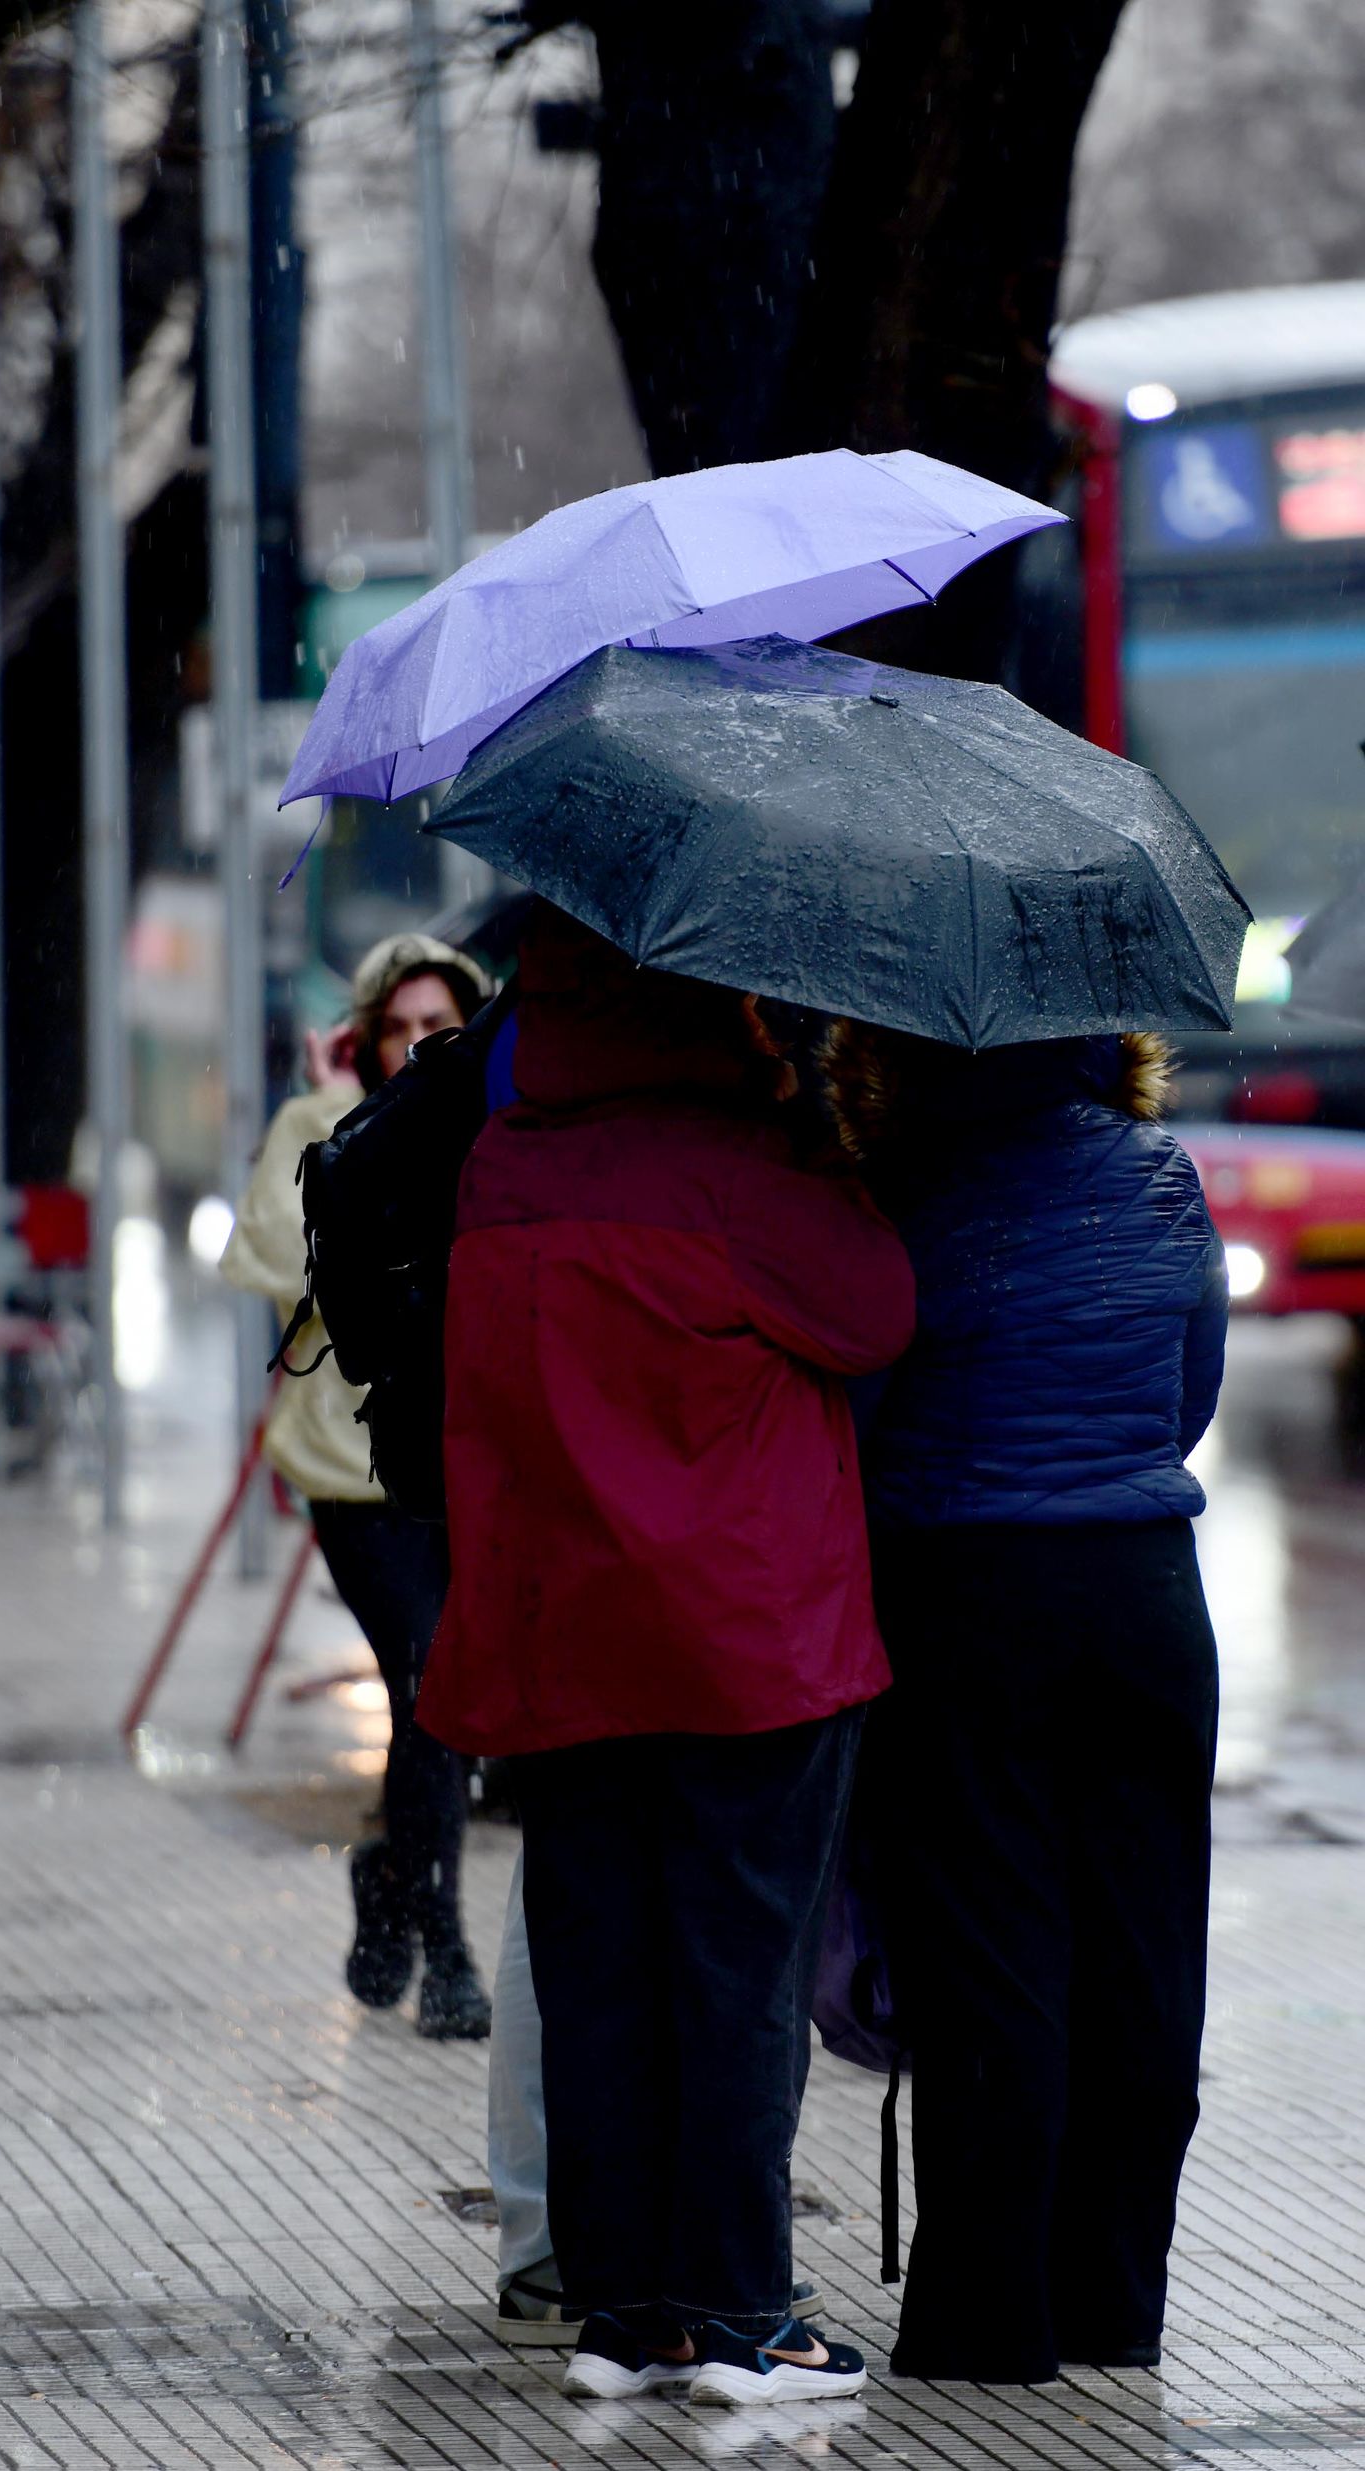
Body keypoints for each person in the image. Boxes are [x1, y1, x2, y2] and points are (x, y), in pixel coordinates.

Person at [416, 907, 915, 2406]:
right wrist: (822, 1123)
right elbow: (877, 1311)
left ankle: (626, 2314)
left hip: (561, 1635)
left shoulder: (504, 1163)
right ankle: (744, 2313)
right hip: (741, 1639)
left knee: (600, 1974)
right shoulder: (741, 1162)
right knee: (735, 1969)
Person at [824, 1023, 1227, 2386]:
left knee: (989, 1953)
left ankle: (986, 2320)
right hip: (1145, 1592)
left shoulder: (901, 1189)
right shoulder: (1162, 1172)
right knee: (1145, 1952)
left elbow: (857, 1414)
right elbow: (1187, 1393)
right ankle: (1112, 2301)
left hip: (967, 1593)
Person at [221, 931, 495, 2040]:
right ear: (368, 1038)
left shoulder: (499, 1126)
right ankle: (448, 1944)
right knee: (427, 1679)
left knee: (445, 1694)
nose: (423, 1044)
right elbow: (267, 1259)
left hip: (468, 1459)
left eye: (444, 1026)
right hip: (353, 1467)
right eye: (403, 1027)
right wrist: (351, 1136)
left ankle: (389, 1866)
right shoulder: (321, 1126)